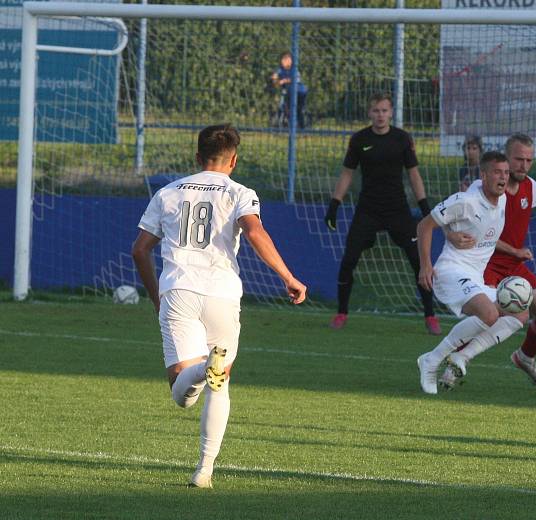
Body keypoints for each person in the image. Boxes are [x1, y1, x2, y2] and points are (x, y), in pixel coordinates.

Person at [131, 124, 307, 488]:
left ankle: (199, 372)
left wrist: (155, 297)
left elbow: (139, 249)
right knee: (220, 383)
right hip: (223, 294)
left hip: (178, 291)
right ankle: (204, 471)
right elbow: (255, 232)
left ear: (197, 157)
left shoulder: (168, 192)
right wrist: (288, 277)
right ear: (234, 160)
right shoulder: (240, 191)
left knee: (183, 396)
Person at [442, 133, 536, 390]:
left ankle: (525, 357)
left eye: (529, 160)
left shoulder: (528, 186)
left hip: (512, 267)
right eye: (518, 159)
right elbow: (473, 231)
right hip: (484, 264)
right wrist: (514, 250)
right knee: (497, 316)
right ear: (506, 158)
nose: (523, 165)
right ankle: (455, 361)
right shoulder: (484, 190)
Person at [324, 91, 440, 335]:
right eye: (376, 111)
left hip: (397, 209)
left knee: (419, 261)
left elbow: (414, 174)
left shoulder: (402, 139)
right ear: (370, 112)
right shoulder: (359, 139)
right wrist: (335, 203)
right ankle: (341, 312)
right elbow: (347, 173)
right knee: (348, 260)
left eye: (384, 111)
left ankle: (430, 315)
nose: (380, 115)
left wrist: (424, 207)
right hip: (368, 209)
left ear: (391, 112)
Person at [416, 151, 529, 394]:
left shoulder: (504, 199)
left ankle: (462, 357)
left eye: (506, 173)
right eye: (497, 172)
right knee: (489, 314)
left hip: (474, 278)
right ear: (484, 175)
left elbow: (484, 234)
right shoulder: (466, 200)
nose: (503, 178)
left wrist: (515, 251)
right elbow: (425, 224)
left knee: (520, 313)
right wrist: (426, 265)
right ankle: (432, 360)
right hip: (450, 272)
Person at [271, 51, 308, 128]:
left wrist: (284, 81)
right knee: (282, 106)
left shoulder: (294, 70)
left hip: (296, 92)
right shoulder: (280, 70)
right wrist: (275, 79)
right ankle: (282, 122)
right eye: (284, 60)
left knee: (299, 108)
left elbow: (296, 79)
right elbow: (275, 78)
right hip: (286, 92)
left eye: (288, 59)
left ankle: (300, 123)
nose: (285, 62)